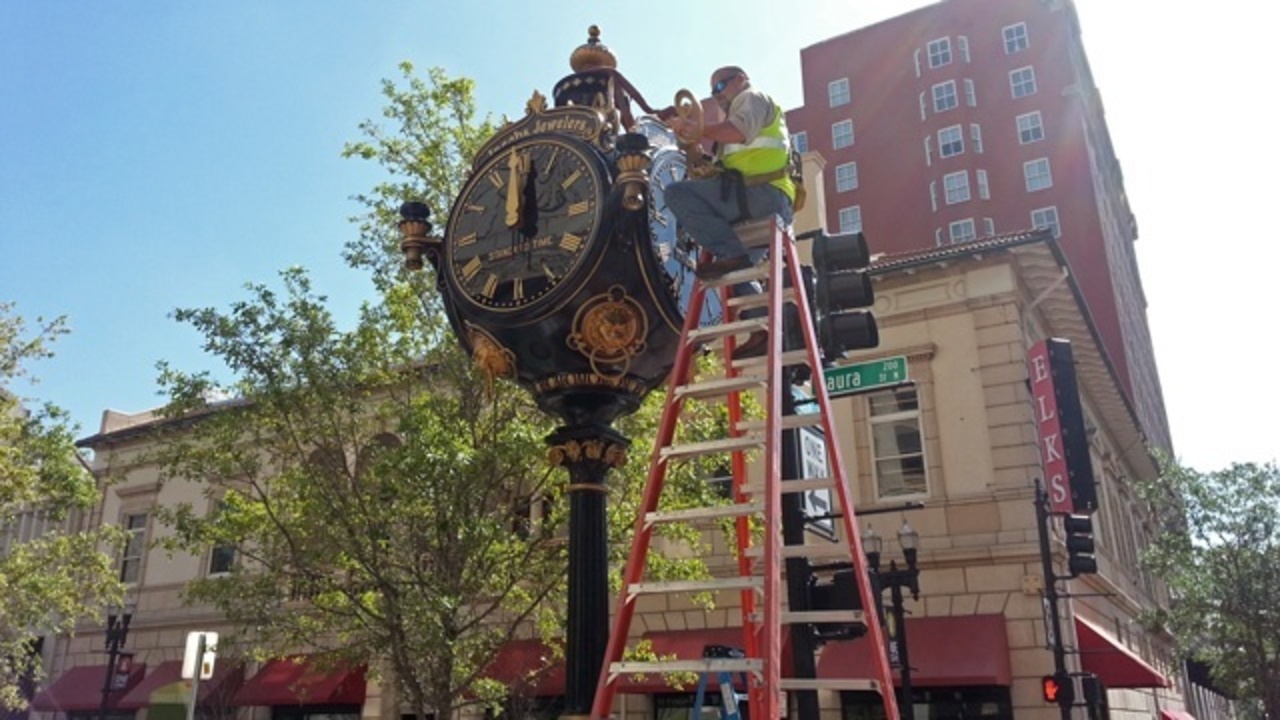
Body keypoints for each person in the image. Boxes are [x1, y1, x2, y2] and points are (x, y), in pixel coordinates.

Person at [662, 66, 797, 357]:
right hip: (758, 200)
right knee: (737, 272)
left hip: (762, 195)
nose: (717, 95)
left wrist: (697, 128)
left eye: (721, 86)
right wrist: (694, 149)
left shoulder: (751, 98)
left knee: (675, 194)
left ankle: (729, 253)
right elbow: (719, 172)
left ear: (741, 79)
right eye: (712, 91)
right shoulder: (735, 118)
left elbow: (736, 132)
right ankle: (761, 328)